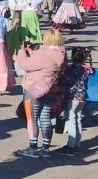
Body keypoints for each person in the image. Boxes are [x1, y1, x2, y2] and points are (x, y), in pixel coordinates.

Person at [13, 29, 66, 159]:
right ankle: (46, 148)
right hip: (51, 90)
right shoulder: (61, 54)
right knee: (45, 118)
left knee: (32, 119)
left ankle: (33, 147)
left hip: (33, 90)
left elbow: (26, 65)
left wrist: (20, 53)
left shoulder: (44, 53)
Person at [57, 47, 92, 155]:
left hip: (72, 97)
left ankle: (71, 146)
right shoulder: (87, 69)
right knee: (77, 119)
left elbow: (65, 81)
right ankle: (77, 144)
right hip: (82, 97)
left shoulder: (71, 69)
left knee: (71, 120)